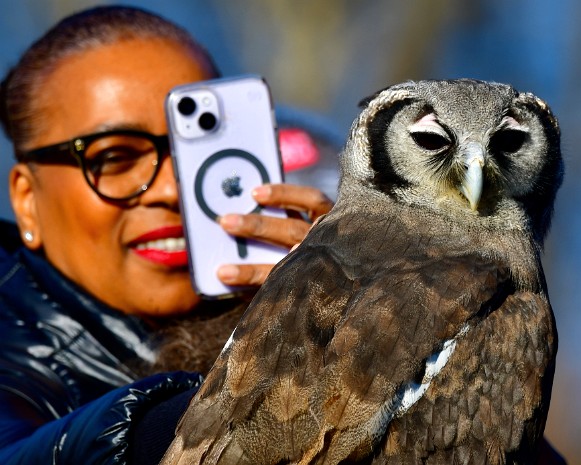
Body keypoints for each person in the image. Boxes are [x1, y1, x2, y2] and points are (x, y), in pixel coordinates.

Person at [0, 5, 333, 464]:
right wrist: (199, 422)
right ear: (26, 201)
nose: (173, 190)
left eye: (198, 151)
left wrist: (362, 318)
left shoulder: (290, 306)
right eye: (114, 157)